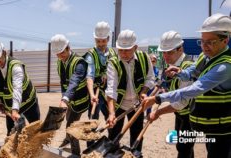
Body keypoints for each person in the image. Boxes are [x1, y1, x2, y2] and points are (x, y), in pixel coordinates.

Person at [142, 13, 231, 158]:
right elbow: (191, 72)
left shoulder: (225, 66)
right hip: (209, 124)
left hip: (223, 128)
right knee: (183, 149)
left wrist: (158, 100)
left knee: (186, 150)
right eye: (202, 41)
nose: (205, 47)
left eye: (210, 42)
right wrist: (179, 72)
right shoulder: (206, 56)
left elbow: (195, 89)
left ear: (225, 40)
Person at [106, 29, 155, 157]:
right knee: (113, 136)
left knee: (137, 135)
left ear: (135, 47)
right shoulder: (113, 63)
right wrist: (111, 113)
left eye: (127, 50)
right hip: (119, 106)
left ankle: (135, 154)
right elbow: (111, 89)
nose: (123, 53)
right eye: (120, 50)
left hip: (137, 105)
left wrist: (144, 92)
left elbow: (150, 78)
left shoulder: (144, 58)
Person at [149, 31, 195, 158]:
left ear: (180, 49)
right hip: (180, 115)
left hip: (189, 118)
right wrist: (152, 101)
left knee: (184, 148)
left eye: (169, 52)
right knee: (184, 148)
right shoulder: (172, 66)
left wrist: (158, 112)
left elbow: (181, 102)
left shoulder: (187, 67)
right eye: (163, 52)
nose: (165, 56)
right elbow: (162, 86)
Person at [0, 38, 40, 136]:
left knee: (35, 131)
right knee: (11, 135)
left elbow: (17, 89)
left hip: (28, 103)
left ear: (4, 52)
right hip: (10, 107)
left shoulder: (16, 66)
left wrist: (15, 110)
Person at [51, 34, 89, 156]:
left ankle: (76, 154)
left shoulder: (80, 63)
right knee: (68, 119)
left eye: (62, 52)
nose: (60, 56)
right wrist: (64, 98)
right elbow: (64, 82)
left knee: (71, 127)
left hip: (80, 101)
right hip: (69, 100)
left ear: (68, 47)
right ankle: (67, 139)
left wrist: (65, 99)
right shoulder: (60, 62)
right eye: (57, 53)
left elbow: (74, 82)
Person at [84, 21, 117, 146]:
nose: (100, 44)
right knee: (93, 120)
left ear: (108, 39)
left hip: (109, 93)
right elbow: (89, 76)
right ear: (95, 39)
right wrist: (92, 94)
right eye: (98, 41)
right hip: (96, 93)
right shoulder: (91, 54)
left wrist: (107, 75)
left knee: (111, 118)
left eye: (103, 41)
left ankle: (112, 144)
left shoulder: (113, 53)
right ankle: (90, 147)